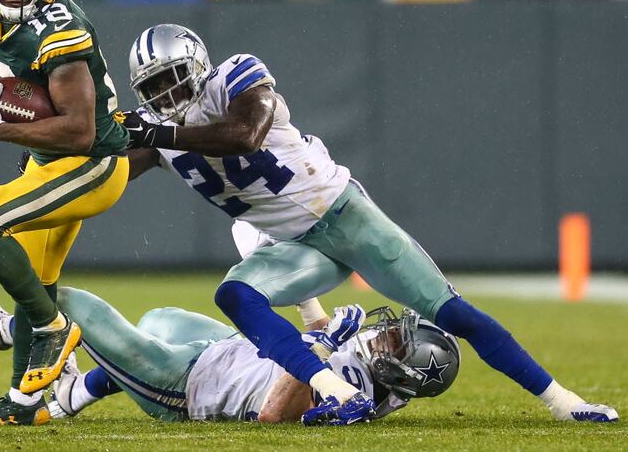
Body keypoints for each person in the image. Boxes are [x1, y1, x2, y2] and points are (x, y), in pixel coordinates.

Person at [116, 23, 617, 424]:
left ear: (197, 63)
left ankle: (563, 399)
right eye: (153, 86)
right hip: (298, 246)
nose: (165, 91)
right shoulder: (157, 137)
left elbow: (247, 134)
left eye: (171, 75)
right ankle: (335, 391)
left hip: (346, 216)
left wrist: (160, 132)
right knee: (235, 295)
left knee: (453, 314)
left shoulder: (235, 76)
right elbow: (106, 176)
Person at [0, 0, 129, 427]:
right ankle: (24, 406)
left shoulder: (61, 31)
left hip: (91, 162)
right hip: (49, 161)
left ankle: (53, 329)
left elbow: (78, 131)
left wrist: (4, 128)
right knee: (36, 278)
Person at [0, 267, 461, 424]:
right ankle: (70, 398)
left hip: (191, 386)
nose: (383, 332)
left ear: (402, 373)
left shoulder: (355, 391)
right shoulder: (372, 378)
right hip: (228, 352)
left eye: (395, 340)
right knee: (157, 317)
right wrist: (321, 326)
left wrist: (322, 345)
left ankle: (5, 331)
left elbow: (274, 414)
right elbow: (322, 342)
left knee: (71, 303)